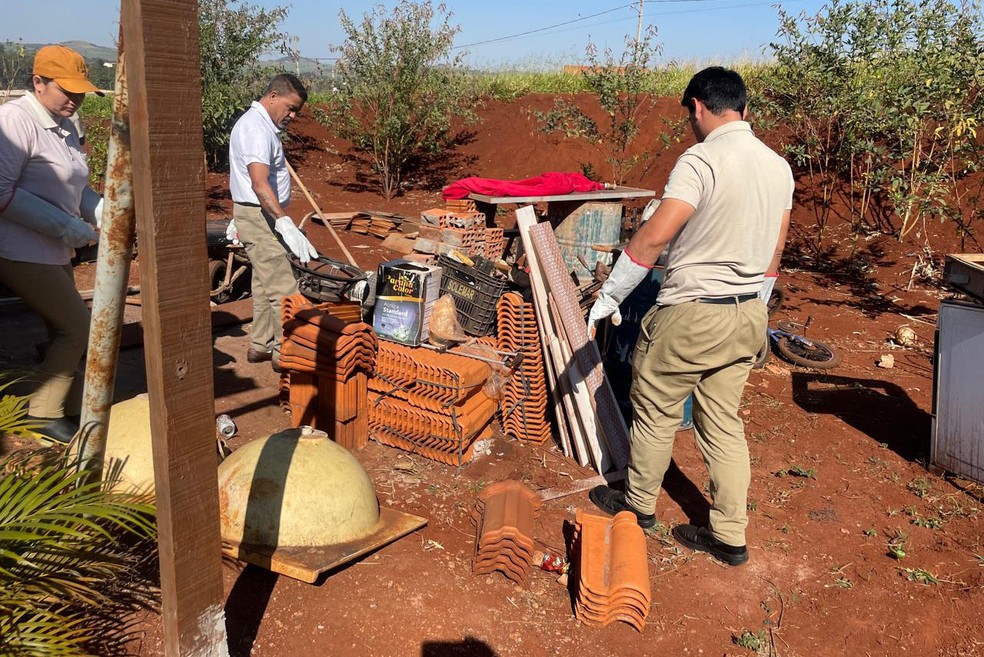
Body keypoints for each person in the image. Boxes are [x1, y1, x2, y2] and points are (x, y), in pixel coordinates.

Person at [586, 67, 793, 566]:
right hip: (747, 313)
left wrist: (611, 295)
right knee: (723, 422)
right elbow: (776, 248)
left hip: (693, 311)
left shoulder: (700, 161)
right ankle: (729, 535)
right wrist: (756, 306)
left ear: (698, 106)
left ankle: (638, 507)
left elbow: (656, 235)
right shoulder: (777, 166)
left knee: (655, 409)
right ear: (743, 109)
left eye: (689, 115)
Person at [0, 45, 104, 443]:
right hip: (19, 248)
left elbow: (77, 188)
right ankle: (42, 412)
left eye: (80, 91)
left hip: (53, 247)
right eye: (67, 90)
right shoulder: (14, 122)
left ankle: (74, 406)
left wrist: (106, 214)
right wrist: (63, 225)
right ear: (38, 82)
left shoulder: (65, 126)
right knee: (77, 329)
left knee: (65, 327)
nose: (75, 99)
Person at [229, 73, 318, 369]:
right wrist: (284, 222)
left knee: (265, 280)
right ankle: (288, 353)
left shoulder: (261, 126)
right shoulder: (256, 129)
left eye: (296, 111)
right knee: (283, 284)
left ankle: (261, 344)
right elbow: (258, 182)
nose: (292, 116)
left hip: (258, 213)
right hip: (261, 214)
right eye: (291, 108)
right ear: (273, 97)